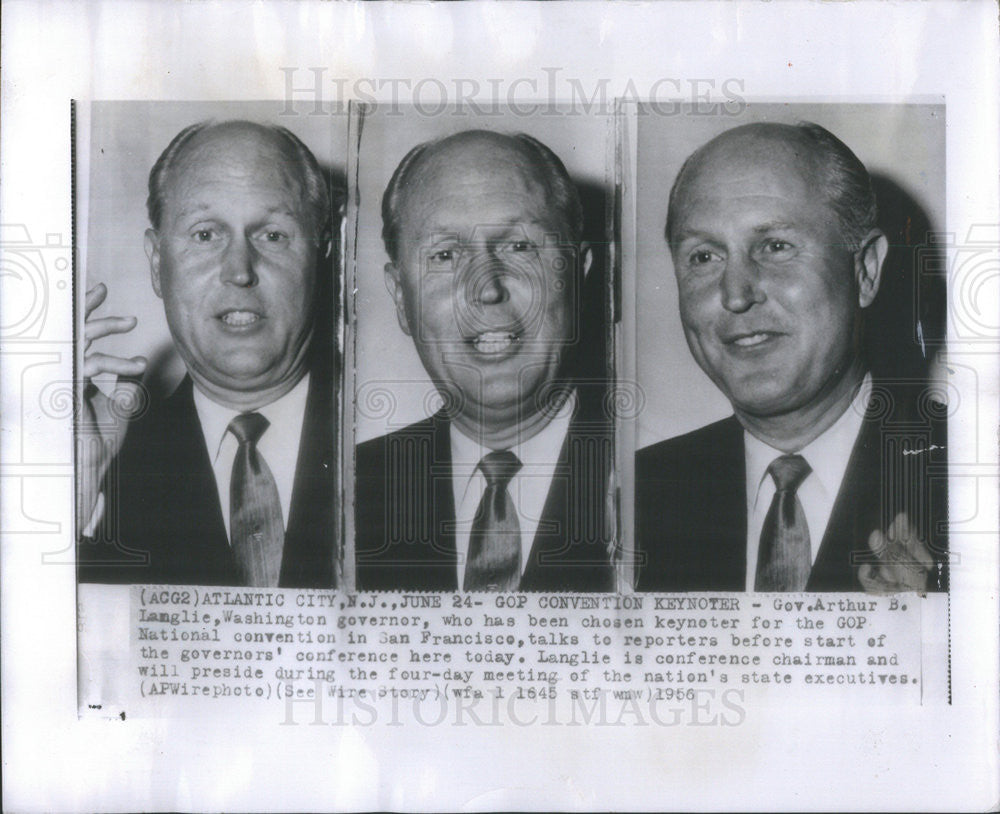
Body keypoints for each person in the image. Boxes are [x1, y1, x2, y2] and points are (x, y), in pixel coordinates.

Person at [635, 121, 947, 593]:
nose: (736, 295)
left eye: (776, 246)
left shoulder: (966, 478)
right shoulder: (634, 495)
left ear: (864, 271)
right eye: (704, 256)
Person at [78, 120, 338, 587]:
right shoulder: (109, 468)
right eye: (205, 235)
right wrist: (69, 504)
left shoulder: (402, 457)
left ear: (323, 255)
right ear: (158, 264)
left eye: (273, 235)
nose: (239, 271)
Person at [355, 130, 614, 592]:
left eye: (520, 247)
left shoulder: (668, 490)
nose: (486, 288)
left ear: (580, 274)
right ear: (400, 298)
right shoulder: (349, 495)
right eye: (446, 255)